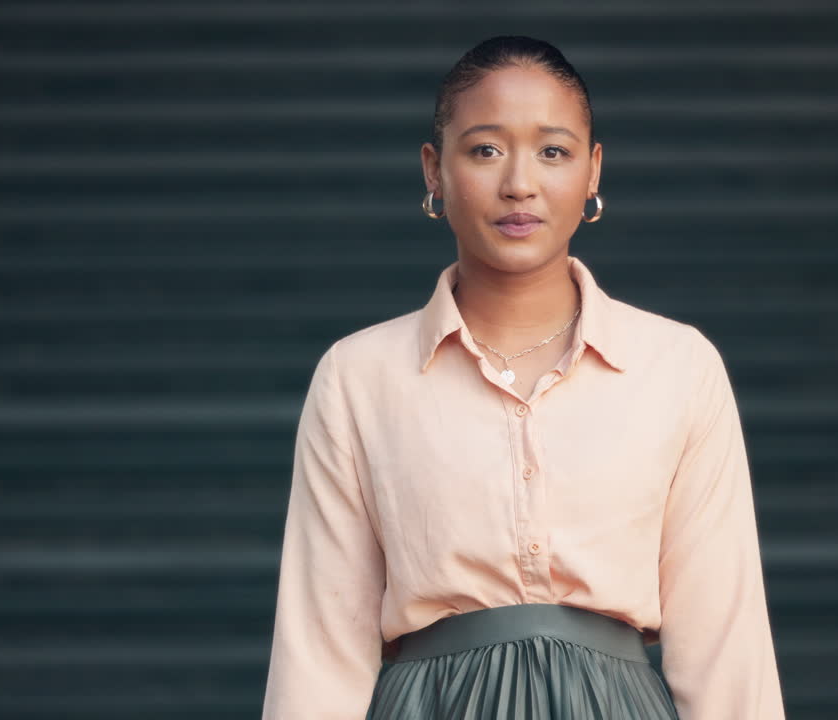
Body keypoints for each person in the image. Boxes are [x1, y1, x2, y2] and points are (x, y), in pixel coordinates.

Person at [261, 35, 787, 719]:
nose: (519, 183)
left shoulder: (677, 367)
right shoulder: (359, 377)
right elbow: (319, 649)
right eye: (485, 149)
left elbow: (726, 645)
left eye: (553, 151)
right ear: (433, 170)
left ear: (593, 171)